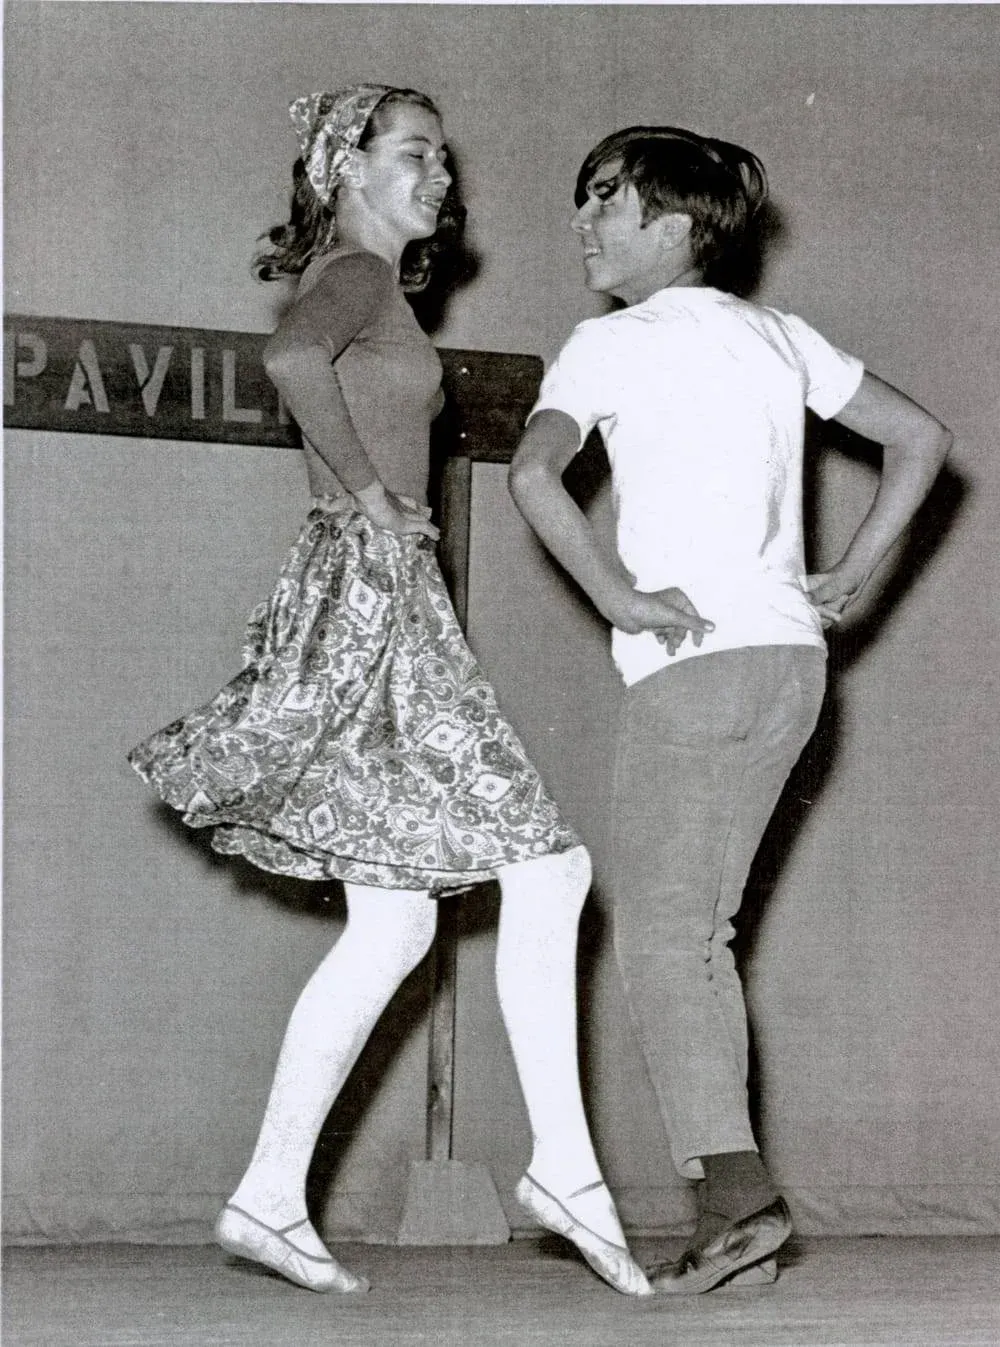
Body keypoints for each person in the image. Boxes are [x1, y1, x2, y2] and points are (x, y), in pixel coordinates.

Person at [128, 86, 650, 1297]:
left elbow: (311, 363)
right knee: (551, 870)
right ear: (345, 168)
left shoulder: (373, 284)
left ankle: (269, 1195)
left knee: (400, 919)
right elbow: (290, 357)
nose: (439, 174)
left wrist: (364, 508)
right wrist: (369, 498)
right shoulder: (356, 276)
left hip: (367, 589)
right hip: (370, 588)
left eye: (442, 157)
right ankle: (565, 1170)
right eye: (413, 153)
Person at [508, 124, 952, 1293]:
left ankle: (739, 1196)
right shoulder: (777, 335)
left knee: (664, 940)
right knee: (697, 939)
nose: (583, 224)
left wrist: (612, 592)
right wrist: (852, 573)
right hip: (791, 671)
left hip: (692, 665)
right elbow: (921, 438)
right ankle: (732, 1224)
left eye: (605, 201)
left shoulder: (606, 342)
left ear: (675, 225)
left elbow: (530, 474)